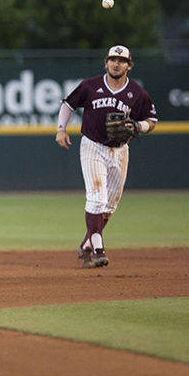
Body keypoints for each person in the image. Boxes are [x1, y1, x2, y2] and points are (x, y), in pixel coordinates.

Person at [55, 45, 157, 268]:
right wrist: (61, 129)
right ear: (106, 62)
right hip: (92, 146)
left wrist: (138, 125)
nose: (116, 63)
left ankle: (85, 246)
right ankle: (98, 251)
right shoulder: (90, 86)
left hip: (120, 151)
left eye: (121, 60)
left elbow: (152, 121)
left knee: (109, 206)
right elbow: (68, 104)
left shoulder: (137, 93)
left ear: (129, 66)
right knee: (96, 198)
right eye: (112, 59)